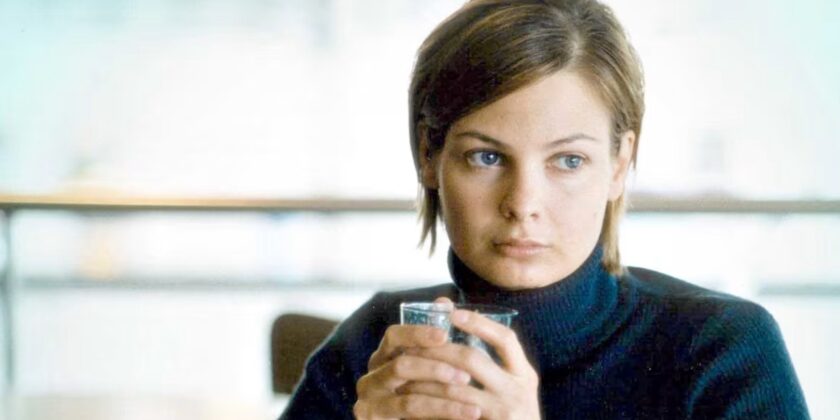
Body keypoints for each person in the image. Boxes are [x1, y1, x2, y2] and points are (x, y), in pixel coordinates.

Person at [280, 0, 809, 418]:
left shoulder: (723, 350)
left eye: (568, 161)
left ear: (619, 164)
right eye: (486, 157)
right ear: (428, 156)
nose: (523, 204)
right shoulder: (372, 343)